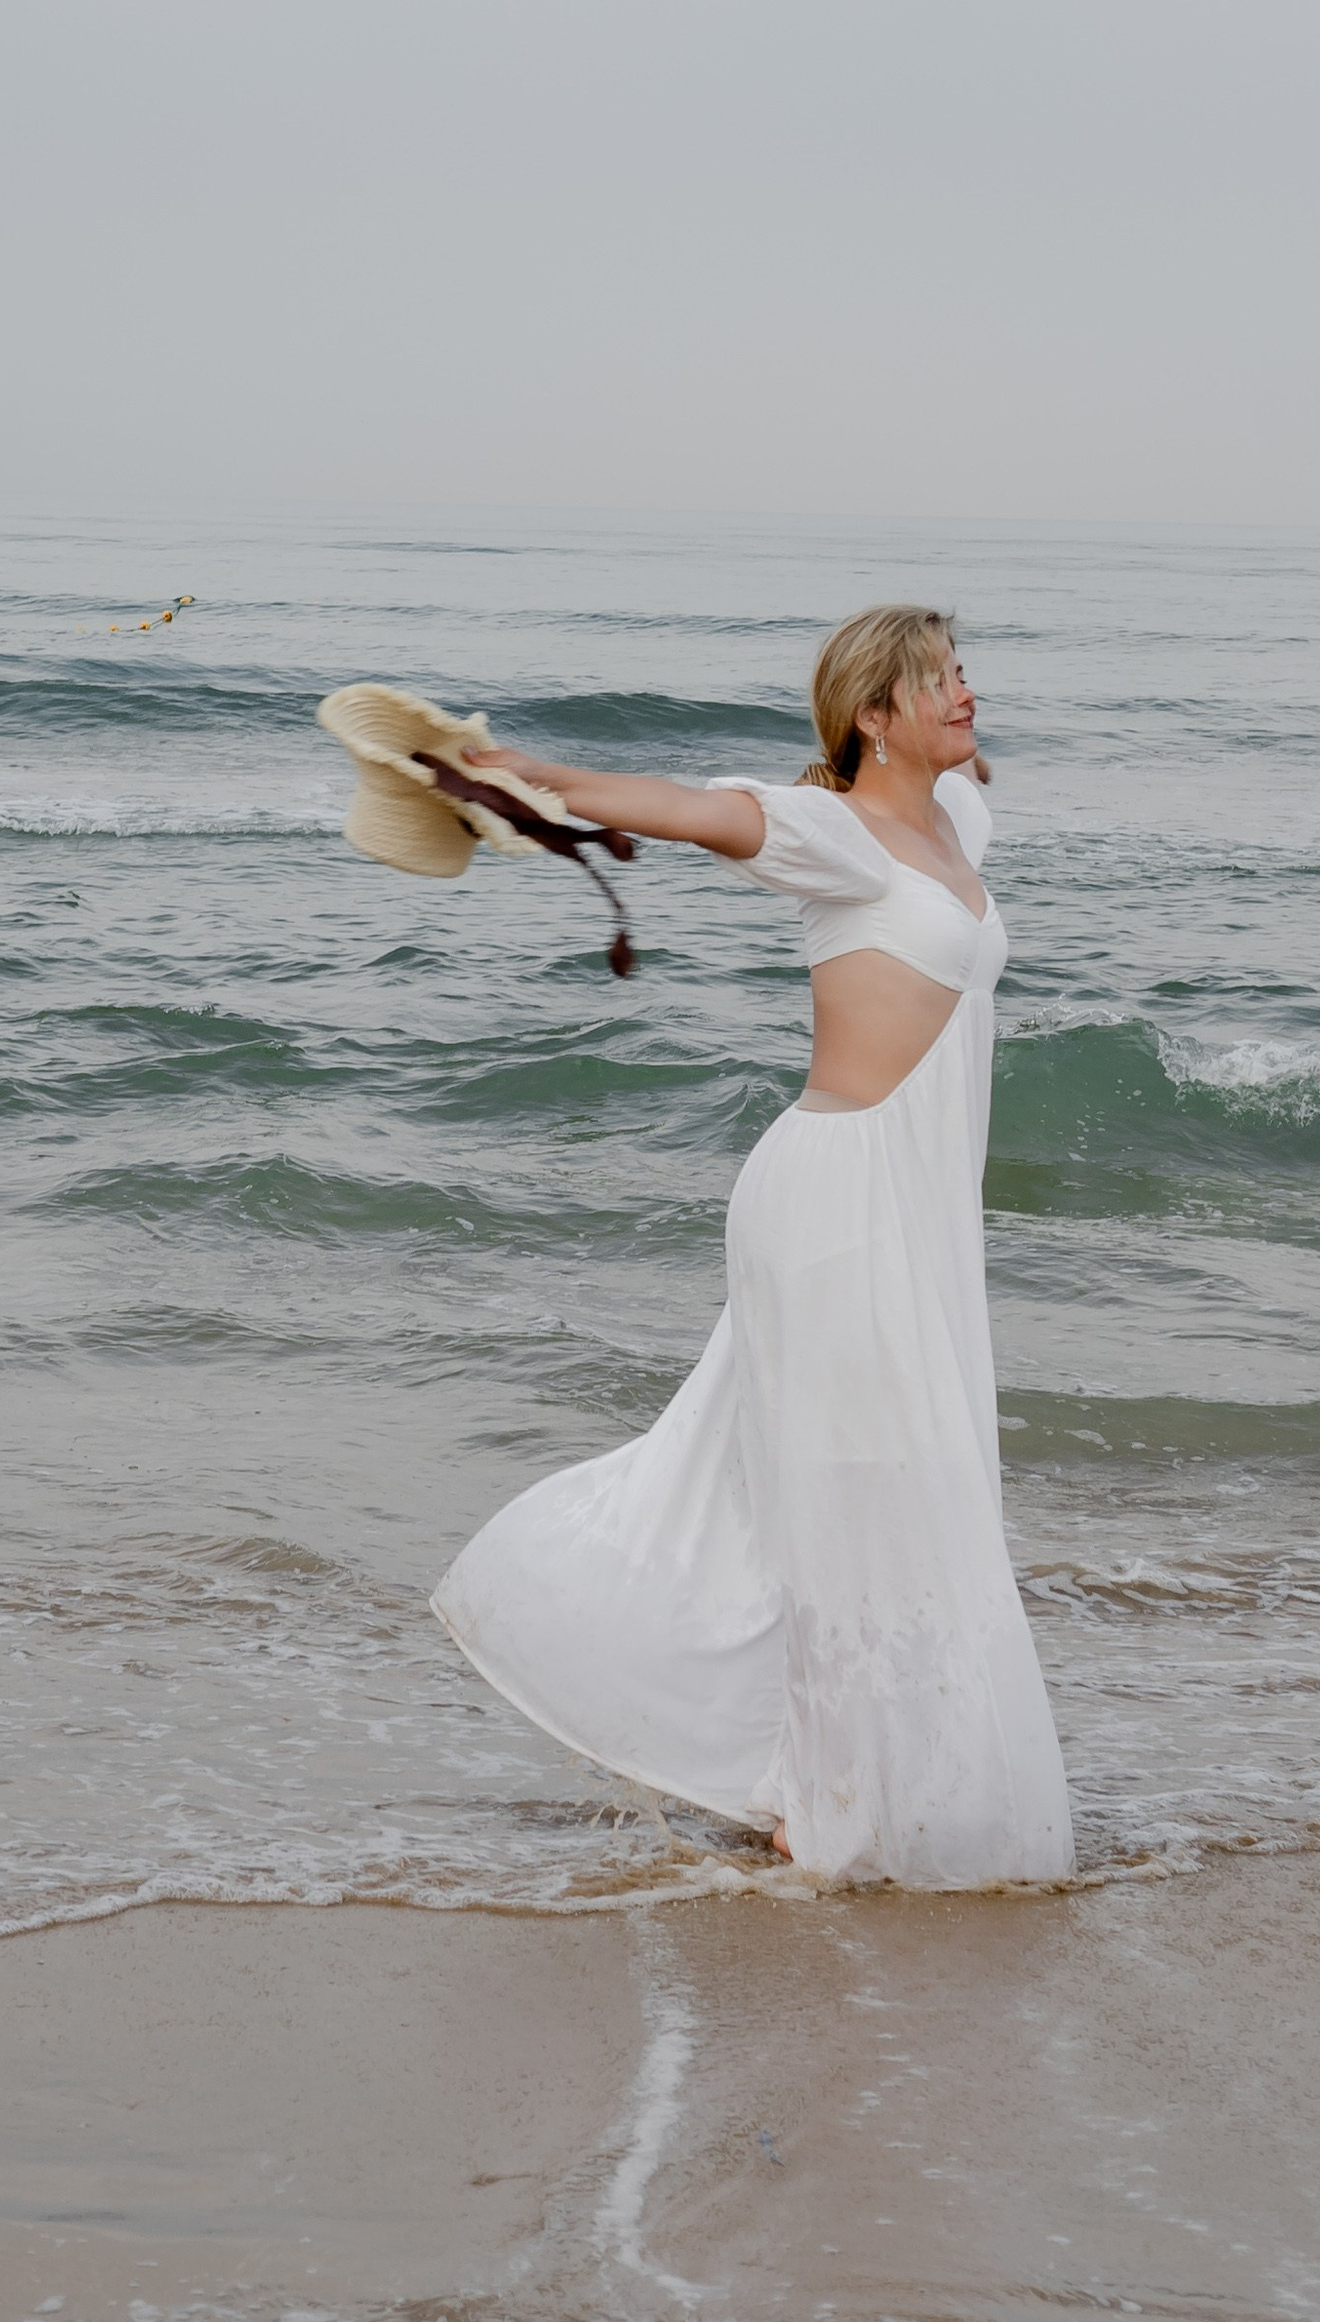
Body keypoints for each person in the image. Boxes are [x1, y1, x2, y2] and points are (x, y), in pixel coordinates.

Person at [433, 606, 1073, 1888]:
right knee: (849, 1490)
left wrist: (958, 758)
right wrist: (519, 778)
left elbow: (960, 786)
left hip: (914, 1206)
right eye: (934, 680)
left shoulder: (957, 825)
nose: (964, 690)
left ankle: (812, 1785)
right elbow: (684, 807)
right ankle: (820, 1806)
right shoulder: (834, 838)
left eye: (961, 671)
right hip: (834, 1203)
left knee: (878, 1486)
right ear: (869, 716)